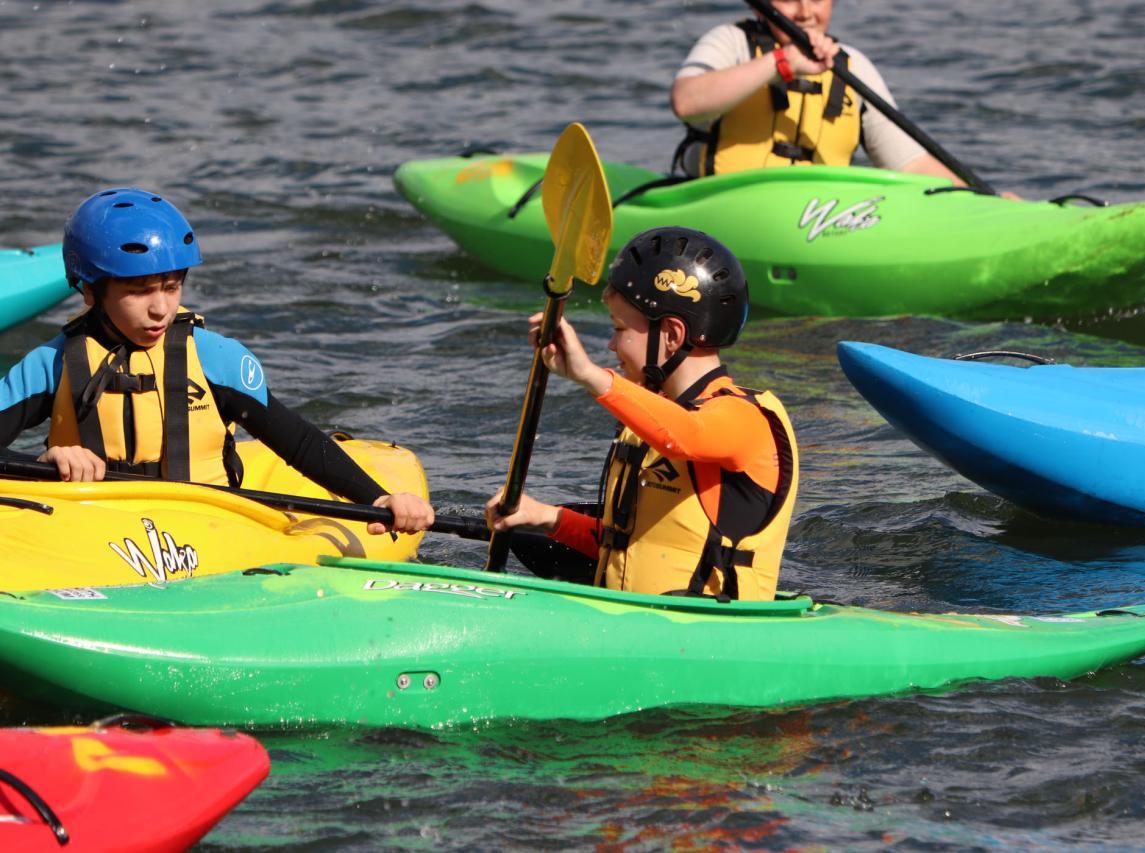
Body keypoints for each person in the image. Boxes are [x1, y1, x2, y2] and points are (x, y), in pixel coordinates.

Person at [0, 187, 432, 536]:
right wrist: (47, 463)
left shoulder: (214, 358)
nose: (160, 309)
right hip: (92, 523)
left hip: (207, 527)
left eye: (171, 287)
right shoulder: (51, 364)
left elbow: (297, 442)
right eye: (139, 291)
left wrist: (377, 499)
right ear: (90, 291)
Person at [486, 227, 799, 601]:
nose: (611, 343)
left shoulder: (745, 418)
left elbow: (689, 436)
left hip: (710, 636)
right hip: (630, 624)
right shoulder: (649, 422)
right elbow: (632, 546)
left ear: (671, 333)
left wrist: (588, 374)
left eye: (620, 329)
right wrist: (548, 518)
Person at [670, 0, 965, 185]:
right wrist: (781, 63)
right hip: (724, 207)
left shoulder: (852, 66)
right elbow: (687, 102)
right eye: (788, 0)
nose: (805, 12)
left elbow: (911, 165)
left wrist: (982, 204)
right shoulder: (730, 42)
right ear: (759, 7)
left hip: (820, 220)